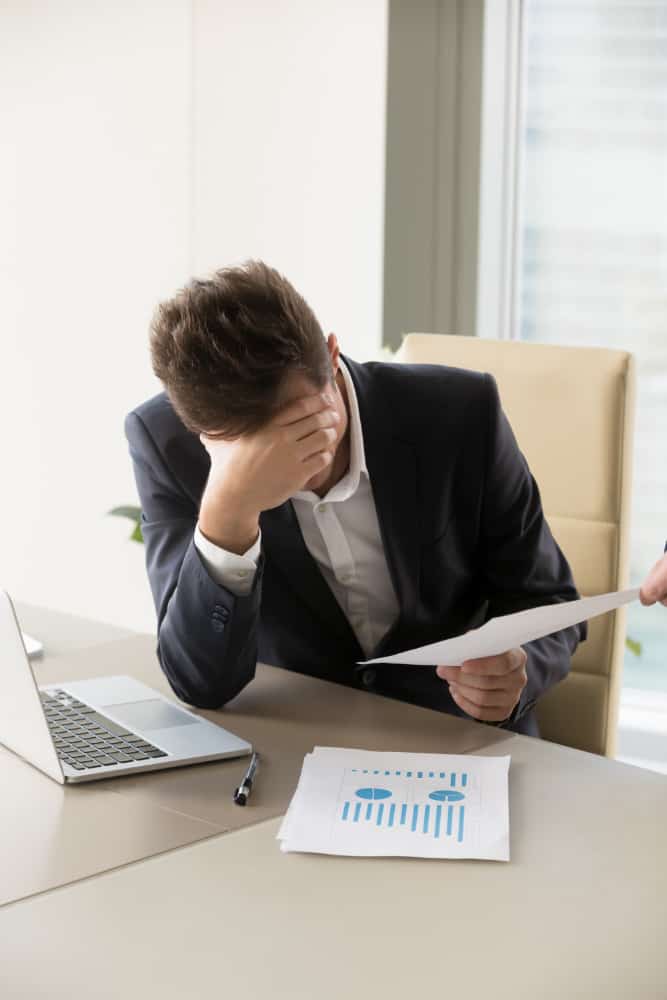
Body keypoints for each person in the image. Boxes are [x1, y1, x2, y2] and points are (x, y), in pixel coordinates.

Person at [125, 260, 585, 737]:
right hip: (296, 750)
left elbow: (547, 598)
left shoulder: (462, 412)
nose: (297, 468)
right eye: (259, 456)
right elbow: (200, 683)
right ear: (205, 435)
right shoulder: (167, 444)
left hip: (457, 739)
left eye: (307, 429)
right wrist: (229, 509)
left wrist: (519, 669)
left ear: (332, 354)